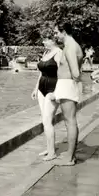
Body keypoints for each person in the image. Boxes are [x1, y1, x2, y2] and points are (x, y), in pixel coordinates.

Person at [53, 22, 83, 166]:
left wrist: (76, 83)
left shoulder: (70, 47)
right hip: (66, 84)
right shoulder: (72, 45)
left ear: (63, 31)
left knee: (69, 120)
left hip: (67, 84)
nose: (55, 36)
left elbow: (75, 72)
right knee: (69, 120)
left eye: (56, 32)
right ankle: (71, 154)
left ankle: (69, 158)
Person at [31, 31, 62, 161]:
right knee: (45, 120)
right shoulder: (46, 53)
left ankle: (52, 152)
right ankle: (49, 148)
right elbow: (41, 73)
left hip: (52, 89)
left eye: (45, 40)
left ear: (52, 40)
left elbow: (63, 73)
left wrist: (57, 92)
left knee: (47, 120)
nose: (43, 42)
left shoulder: (59, 53)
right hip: (42, 89)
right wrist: (35, 88)